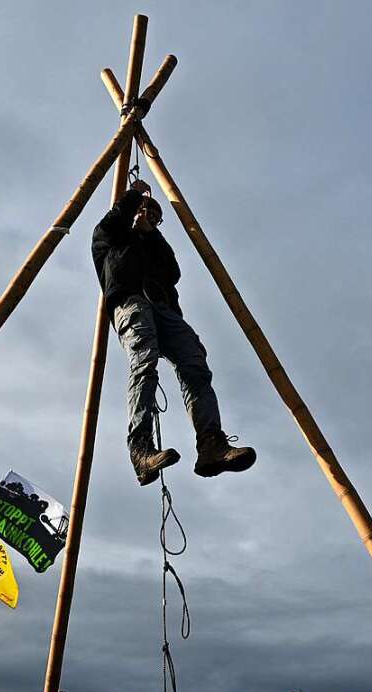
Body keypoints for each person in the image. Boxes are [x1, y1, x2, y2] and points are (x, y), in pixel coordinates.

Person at [91, 179, 256, 486]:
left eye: (156, 216)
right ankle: (140, 449)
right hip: (130, 302)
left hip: (163, 308)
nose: (150, 218)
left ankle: (211, 445)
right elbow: (111, 224)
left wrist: (150, 234)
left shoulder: (155, 247)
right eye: (146, 213)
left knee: (194, 363)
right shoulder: (110, 238)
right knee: (144, 363)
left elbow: (173, 271)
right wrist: (133, 197)